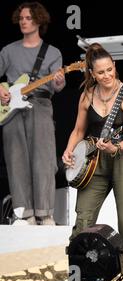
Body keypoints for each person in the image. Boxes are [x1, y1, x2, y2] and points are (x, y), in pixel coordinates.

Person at [62, 43, 123, 281]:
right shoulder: (87, 95)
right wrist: (69, 151)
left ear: (114, 67)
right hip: (93, 163)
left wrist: (116, 146)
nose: (107, 75)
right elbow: (78, 130)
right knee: (83, 221)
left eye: (110, 69)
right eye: (101, 72)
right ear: (92, 73)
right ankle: (75, 280)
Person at [0, 2, 65, 226]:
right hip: (12, 110)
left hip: (41, 106)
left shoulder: (53, 52)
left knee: (44, 161)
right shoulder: (8, 51)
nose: (23, 21)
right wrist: (1, 89)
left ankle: (45, 213)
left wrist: (59, 80)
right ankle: (24, 213)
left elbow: (58, 86)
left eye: (28, 18)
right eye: (21, 18)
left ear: (38, 21)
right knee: (15, 160)